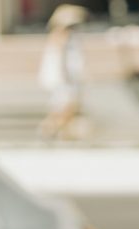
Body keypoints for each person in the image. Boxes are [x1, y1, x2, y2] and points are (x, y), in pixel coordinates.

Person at [39, 4, 88, 141]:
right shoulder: (59, 36)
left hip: (69, 77)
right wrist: (64, 75)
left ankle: (62, 132)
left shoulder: (72, 37)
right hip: (63, 78)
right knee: (63, 107)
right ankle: (50, 130)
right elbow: (59, 58)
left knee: (67, 107)